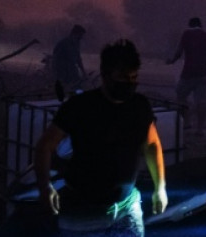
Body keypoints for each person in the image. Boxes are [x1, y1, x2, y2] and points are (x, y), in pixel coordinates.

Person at [34, 38, 167, 236]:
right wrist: (45, 187)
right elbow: (45, 146)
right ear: (105, 75)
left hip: (127, 206)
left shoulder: (140, 106)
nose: (129, 84)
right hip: (82, 212)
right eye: (122, 78)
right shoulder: (80, 106)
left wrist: (160, 187)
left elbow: (152, 145)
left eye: (133, 78)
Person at [168, 17, 206, 135]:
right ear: (201, 26)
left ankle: (187, 121)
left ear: (190, 25)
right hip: (203, 74)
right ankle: (200, 129)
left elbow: (179, 52)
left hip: (188, 72)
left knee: (180, 95)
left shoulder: (186, 34)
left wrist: (172, 60)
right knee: (201, 101)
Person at [53, 24, 88, 93]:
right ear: (74, 34)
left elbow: (78, 59)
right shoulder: (63, 43)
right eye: (80, 35)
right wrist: (58, 74)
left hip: (73, 71)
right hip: (63, 72)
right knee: (65, 90)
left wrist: (83, 72)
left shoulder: (77, 43)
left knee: (77, 88)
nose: (81, 38)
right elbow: (55, 59)